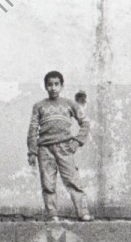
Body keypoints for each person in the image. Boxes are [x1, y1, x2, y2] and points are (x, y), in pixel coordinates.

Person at [26, 71, 92, 221]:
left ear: (62, 86)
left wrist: (77, 141)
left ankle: (83, 213)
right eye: (50, 84)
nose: (53, 88)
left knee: (72, 180)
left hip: (64, 147)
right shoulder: (39, 106)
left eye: (56, 84)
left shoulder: (69, 104)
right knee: (48, 183)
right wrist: (32, 152)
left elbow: (85, 122)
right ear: (45, 87)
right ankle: (52, 214)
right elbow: (33, 129)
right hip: (45, 149)